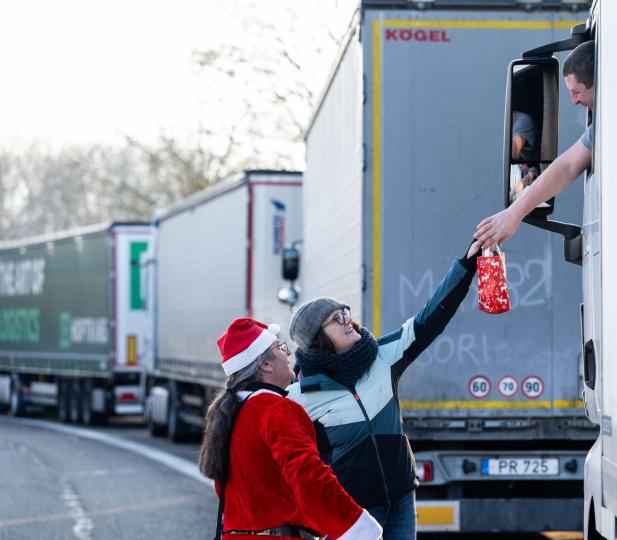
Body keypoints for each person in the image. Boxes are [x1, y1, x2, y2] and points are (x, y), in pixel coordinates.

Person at [285, 239, 481, 540]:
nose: (347, 321)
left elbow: (431, 316)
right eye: (336, 320)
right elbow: (295, 467)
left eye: (345, 313)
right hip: (353, 512)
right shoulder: (301, 396)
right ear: (318, 340)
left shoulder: (382, 356)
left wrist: (468, 264)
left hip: (401, 497)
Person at [199, 317, 382, 540]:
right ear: (264, 364)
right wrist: (360, 528)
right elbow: (309, 476)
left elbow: (226, 490)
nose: (288, 354)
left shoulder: (230, 413)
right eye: (281, 347)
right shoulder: (275, 408)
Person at [476, 40, 596, 249]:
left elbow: (567, 166)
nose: (574, 102)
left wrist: (514, 213)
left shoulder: (523, 123)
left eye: (576, 91)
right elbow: (566, 166)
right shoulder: (603, 125)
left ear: (598, 83)